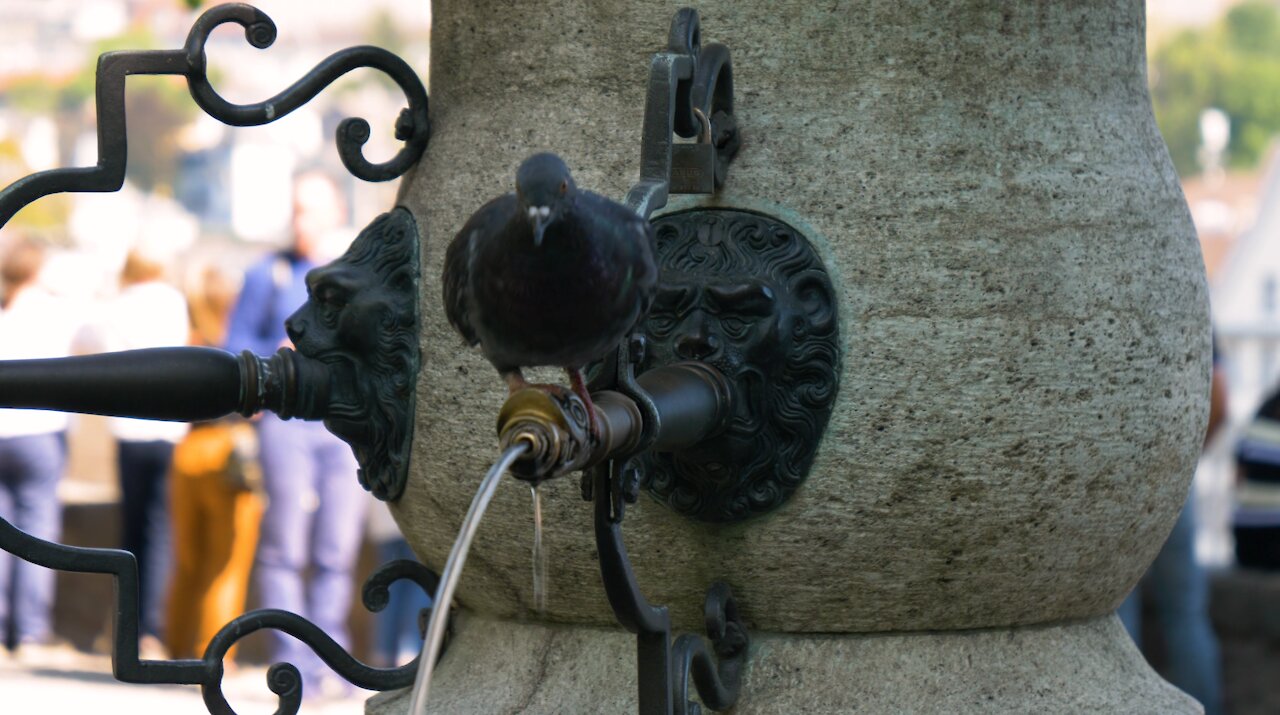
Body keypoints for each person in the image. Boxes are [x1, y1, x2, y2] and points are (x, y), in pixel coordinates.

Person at [224, 171, 366, 692]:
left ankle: (331, 659)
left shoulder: (354, 273)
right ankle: (295, 664)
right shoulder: (270, 274)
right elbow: (235, 342)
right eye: (296, 209)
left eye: (311, 209)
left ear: (334, 213)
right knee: (284, 545)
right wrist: (275, 363)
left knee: (337, 546)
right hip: (286, 425)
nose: (301, 220)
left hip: (343, 426)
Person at [85, 249, 190, 658]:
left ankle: (125, 627)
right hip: (166, 431)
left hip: (128, 430)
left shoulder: (118, 305)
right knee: (159, 533)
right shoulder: (172, 301)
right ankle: (151, 630)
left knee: (130, 532)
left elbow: (92, 346)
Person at [1117, 348, 1227, 715]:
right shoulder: (1186, 292)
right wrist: (1186, 456)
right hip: (1172, 471)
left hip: (1112, 476)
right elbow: (1220, 395)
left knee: (1112, 615)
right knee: (1186, 614)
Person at [166, 265, 264, 661]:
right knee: (227, 566)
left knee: (188, 561)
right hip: (230, 451)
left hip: (188, 450)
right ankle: (214, 653)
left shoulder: (187, 342)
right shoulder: (240, 348)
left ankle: (173, 651)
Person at [0, 239, 79, 661]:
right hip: (40, 433)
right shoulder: (53, 311)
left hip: (2, 432)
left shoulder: (6, 310)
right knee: (36, 534)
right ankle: (29, 632)